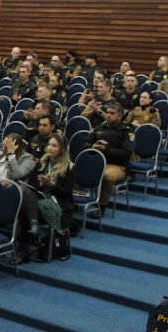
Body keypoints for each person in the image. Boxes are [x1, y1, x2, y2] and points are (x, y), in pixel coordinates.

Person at [17, 134, 76, 263]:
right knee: (26, 193)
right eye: (49, 144)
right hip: (38, 202)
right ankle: (26, 243)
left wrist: (52, 185)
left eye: (54, 146)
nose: (49, 148)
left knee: (26, 210)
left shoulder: (69, 167)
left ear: (62, 149)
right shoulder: (42, 163)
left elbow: (67, 193)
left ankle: (23, 250)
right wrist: (41, 184)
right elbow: (31, 185)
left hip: (58, 205)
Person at [81, 102, 133, 215]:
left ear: (120, 116)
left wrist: (107, 149)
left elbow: (127, 153)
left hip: (117, 165)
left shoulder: (126, 131)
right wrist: (93, 146)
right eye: (107, 112)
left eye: (112, 113)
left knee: (107, 176)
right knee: (73, 169)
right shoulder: (100, 128)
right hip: (96, 162)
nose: (108, 115)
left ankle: (101, 206)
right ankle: (75, 200)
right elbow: (85, 144)